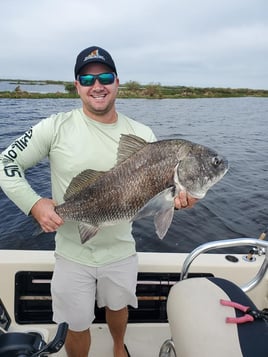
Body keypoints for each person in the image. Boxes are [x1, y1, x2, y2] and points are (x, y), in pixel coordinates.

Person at [0, 46, 197, 357]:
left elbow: (159, 199)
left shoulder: (142, 133)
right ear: (77, 85)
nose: (97, 85)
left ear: (117, 82)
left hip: (121, 251)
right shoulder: (55, 126)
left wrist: (177, 199)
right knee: (76, 324)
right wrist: (35, 204)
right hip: (71, 253)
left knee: (118, 308)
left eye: (105, 77)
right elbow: (5, 164)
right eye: (87, 79)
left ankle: (119, 347)